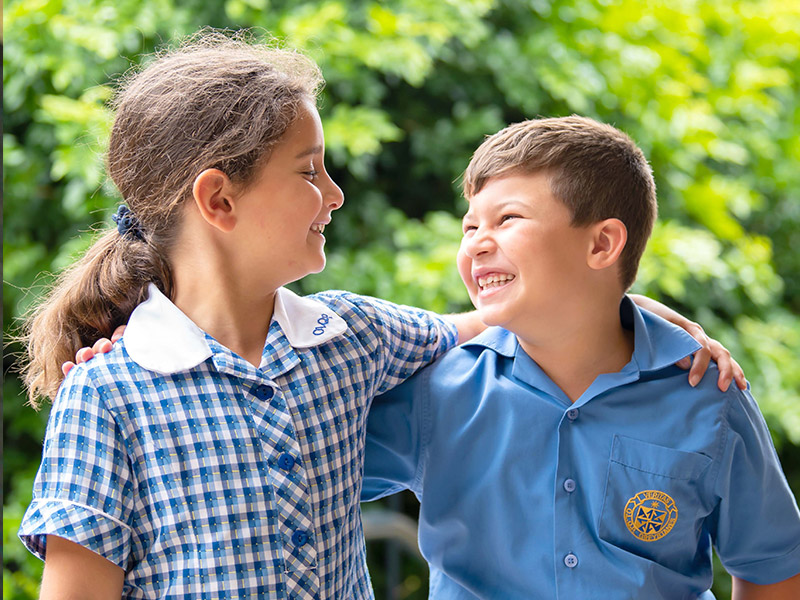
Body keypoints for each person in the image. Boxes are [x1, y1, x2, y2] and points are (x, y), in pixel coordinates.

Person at [20, 31, 742, 600]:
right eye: (309, 171)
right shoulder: (107, 396)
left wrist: (632, 307)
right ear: (219, 200)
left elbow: (501, 319)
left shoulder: (350, 336)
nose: (334, 195)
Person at [362, 116, 800, 599]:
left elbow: (771, 568)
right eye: (470, 225)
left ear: (602, 243)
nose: (477, 242)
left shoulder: (708, 393)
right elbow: (305, 471)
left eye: (507, 219)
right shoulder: (438, 392)